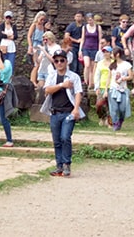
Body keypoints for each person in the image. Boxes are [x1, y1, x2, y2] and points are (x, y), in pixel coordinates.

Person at [40, 49, 85, 177]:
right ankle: (59, 165)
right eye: (56, 61)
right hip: (55, 112)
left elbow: (78, 93)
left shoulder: (74, 77)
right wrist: (62, 85)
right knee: (56, 140)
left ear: (66, 61)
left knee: (65, 137)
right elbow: (47, 90)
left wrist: (76, 108)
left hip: (68, 112)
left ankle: (66, 164)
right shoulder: (52, 76)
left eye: (62, 60)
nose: (59, 63)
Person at [107, 47, 133, 131]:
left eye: (112, 53)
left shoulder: (126, 64)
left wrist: (123, 78)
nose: (111, 55)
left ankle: (121, 120)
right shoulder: (112, 65)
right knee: (113, 108)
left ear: (117, 54)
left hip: (123, 89)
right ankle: (115, 123)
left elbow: (131, 76)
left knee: (122, 108)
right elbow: (109, 77)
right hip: (113, 88)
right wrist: (106, 89)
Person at [79, 12, 102, 87]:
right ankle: (85, 82)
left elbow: (100, 40)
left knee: (92, 67)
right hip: (86, 47)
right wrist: (80, 50)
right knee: (87, 65)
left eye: (91, 20)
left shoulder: (98, 27)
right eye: (88, 20)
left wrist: (99, 50)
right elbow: (82, 39)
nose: (90, 21)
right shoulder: (84, 27)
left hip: (94, 48)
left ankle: (91, 83)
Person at [93, 46, 113, 127]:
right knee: (99, 104)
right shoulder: (100, 63)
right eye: (104, 52)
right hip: (102, 86)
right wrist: (96, 87)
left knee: (111, 105)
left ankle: (110, 122)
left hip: (111, 86)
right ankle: (102, 117)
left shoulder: (114, 62)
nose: (105, 54)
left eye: (107, 52)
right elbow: (97, 75)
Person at [27, 11, 47, 86]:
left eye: (43, 20)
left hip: (40, 46)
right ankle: (32, 81)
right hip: (34, 44)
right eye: (41, 19)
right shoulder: (34, 25)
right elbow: (29, 36)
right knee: (36, 64)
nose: (42, 21)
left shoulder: (43, 27)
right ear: (37, 18)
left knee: (40, 64)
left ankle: (37, 79)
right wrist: (30, 46)